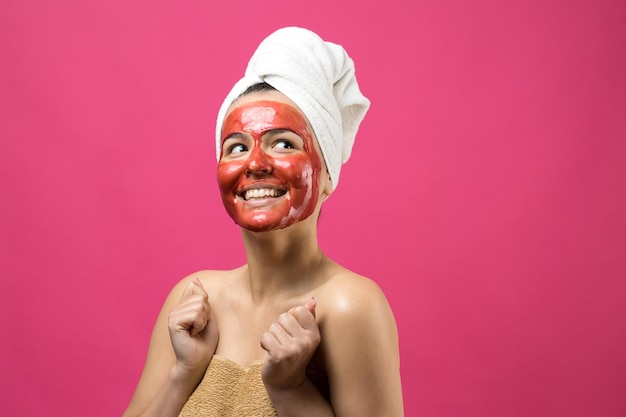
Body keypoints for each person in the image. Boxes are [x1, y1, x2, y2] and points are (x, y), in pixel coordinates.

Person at [123, 26, 404, 417]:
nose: (255, 164)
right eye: (236, 147)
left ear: (326, 177)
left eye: (284, 143)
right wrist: (184, 373)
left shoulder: (349, 306)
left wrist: (290, 389)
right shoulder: (193, 297)